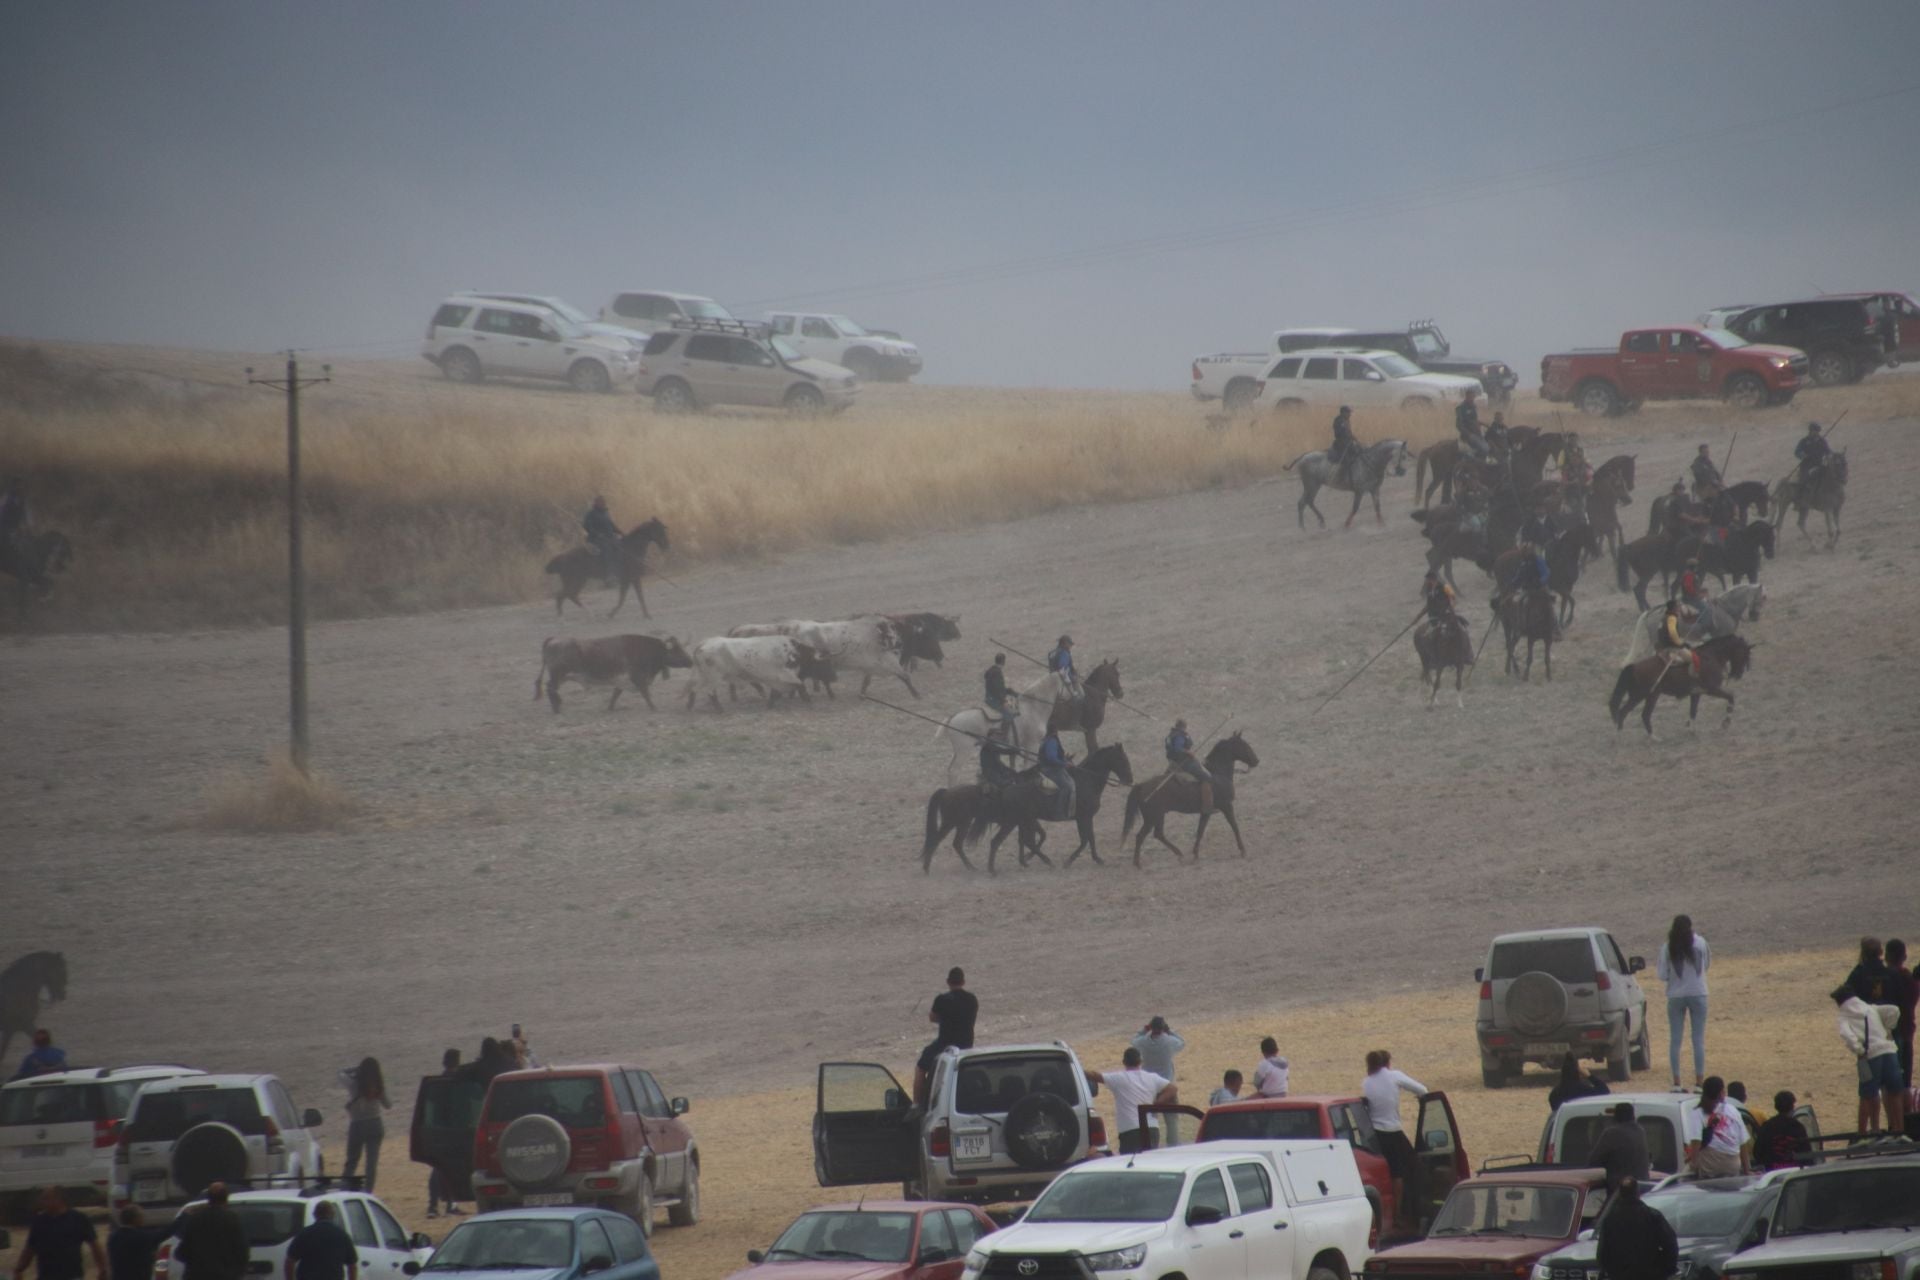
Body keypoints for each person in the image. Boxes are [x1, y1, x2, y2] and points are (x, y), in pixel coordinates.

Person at [1362, 1051, 1426, 1232]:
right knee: (1404, 1171)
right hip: (1392, 1131)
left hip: (1375, 1135)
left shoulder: (1366, 1082)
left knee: (1386, 1170)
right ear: (1387, 1063)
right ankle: (1401, 1212)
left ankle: (1392, 1213)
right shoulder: (1394, 1076)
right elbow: (1422, 1090)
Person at [1834, 983, 1905, 1135]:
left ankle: (1864, 1133)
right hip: (1889, 1050)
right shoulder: (1870, 1008)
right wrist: (1888, 1029)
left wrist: (1859, 1049)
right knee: (1895, 1092)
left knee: (1867, 1095)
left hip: (1869, 1055)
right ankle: (1899, 1130)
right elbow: (1894, 1010)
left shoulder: (1843, 1016)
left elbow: (1847, 1035)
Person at [1083, 1048, 1176, 1154]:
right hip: (1152, 1128)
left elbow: (1095, 1075)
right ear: (1140, 1061)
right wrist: (1156, 1105)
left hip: (1130, 1130)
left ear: (1124, 1062)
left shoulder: (1118, 1078)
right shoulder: (1152, 1078)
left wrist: (1077, 1069)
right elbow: (1172, 1089)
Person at [1658, 915, 1710, 1089]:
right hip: (1698, 993)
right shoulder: (1701, 943)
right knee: (1698, 1040)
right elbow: (1706, 965)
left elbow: (1662, 974)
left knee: (1675, 1040)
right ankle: (1699, 1082)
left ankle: (1677, 1082)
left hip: (1675, 996)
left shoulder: (1667, 947)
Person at [914, 967, 978, 1106]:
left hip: (945, 1044)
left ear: (948, 982)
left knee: (920, 1067)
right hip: (966, 1044)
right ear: (963, 981)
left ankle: (916, 1104)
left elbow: (933, 1017)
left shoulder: (942, 999)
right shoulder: (972, 1000)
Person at [13, 1187, 105, 1280]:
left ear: (58, 1199)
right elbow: (30, 1249)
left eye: (46, 1198)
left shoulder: (78, 1219)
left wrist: (102, 1269)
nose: (42, 1202)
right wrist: (19, 1269)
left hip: (72, 1276)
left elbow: (94, 1245)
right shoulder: (39, 1222)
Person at [1595, 1178, 1678, 1280]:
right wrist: (1665, 1270)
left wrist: (1608, 1272)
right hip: (1650, 1275)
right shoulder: (1652, 1216)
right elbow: (1670, 1244)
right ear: (1638, 1193)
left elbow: (1602, 1253)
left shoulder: (1610, 1220)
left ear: (1620, 1194)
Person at [173, 1183, 249, 1280]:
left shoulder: (195, 1219)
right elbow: (242, 1250)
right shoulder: (232, 1219)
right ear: (226, 1198)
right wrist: (239, 1272)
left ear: (209, 1198)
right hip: (224, 1275)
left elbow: (182, 1251)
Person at [1131, 1017, 1187, 1142]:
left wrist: (1143, 1030)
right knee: (1171, 1122)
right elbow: (1182, 1042)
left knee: (1151, 1121)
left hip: (1149, 1087)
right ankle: (1172, 1147)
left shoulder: (1143, 1042)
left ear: (1151, 1027)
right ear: (1163, 1028)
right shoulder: (1169, 1041)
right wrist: (1170, 1031)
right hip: (1167, 1087)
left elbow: (1133, 1041)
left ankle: (1152, 1146)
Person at [338, 1057, 389, 1191]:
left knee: (352, 1161)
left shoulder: (353, 1084)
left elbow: (340, 1073)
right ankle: (368, 1191)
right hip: (375, 1124)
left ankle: (344, 1189)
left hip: (357, 1125)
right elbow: (388, 1105)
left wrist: (356, 1068)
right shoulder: (378, 1087)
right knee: (371, 1164)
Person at [426, 1048, 464, 1218]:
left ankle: (433, 1205)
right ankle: (450, 1204)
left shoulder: (438, 1082)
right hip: (453, 1131)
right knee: (451, 1168)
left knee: (438, 1168)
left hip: (438, 1131)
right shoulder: (457, 1082)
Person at [1684, 1076, 1748, 1178]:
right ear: (1722, 1092)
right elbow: (1743, 1143)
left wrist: (1693, 1165)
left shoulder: (1698, 1112)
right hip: (1733, 1166)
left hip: (1710, 1166)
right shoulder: (1733, 1110)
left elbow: (1696, 1142)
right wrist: (1747, 1170)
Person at [283, 1201, 356, 1280]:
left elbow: (289, 1262)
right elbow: (352, 1266)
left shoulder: (304, 1234)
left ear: (315, 1215)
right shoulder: (342, 1235)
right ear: (333, 1215)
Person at [1584, 1102, 1652, 1187]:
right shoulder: (1640, 1131)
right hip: (1643, 1188)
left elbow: (1593, 1161)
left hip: (1621, 1191)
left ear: (1616, 1117)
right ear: (1633, 1116)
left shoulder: (1612, 1133)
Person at [106, 1208, 173, 1280]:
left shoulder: (112, 1237)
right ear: (136, 1219)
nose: (143, 1219)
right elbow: (164, 1233)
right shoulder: (141, 1237)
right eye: (141, 1216)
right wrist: (183, 1217)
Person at [1163, 719, 1213, 816]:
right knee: (1206, 777)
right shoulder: (1179, 736)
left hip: (1173, 762)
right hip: (1184, 763)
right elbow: (1178, 748)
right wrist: (1188, 752)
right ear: (1183, 727)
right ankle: (1207, 806)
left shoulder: (1171, 734)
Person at [1751, 1091, 1811, 1170]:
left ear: (1776, 1106)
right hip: (1795, 1171)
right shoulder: (1797, 1127)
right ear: (1792, 1106)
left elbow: (1758, 1152)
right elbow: (1807, 1153)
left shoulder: (1767, 1126)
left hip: (1772, 1172)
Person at [1885, 939, 1917, 1087]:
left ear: (1886, 957)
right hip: (1906, 1031)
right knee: (1905, 1083)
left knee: (1890, 1085)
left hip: (1887, 1036)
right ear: (1904, 957)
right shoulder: (1910, 980)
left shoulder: (1883, 979)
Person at [582, 496, 622, 584]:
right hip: (595, 540)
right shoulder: (591, 514)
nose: (603, 503)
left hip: (609, 537)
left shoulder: (606, 513)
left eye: (604, 502)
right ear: (596, 503)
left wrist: (620, 532)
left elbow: (612, 525)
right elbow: (587, 526)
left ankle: (620, 572)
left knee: (621, 546)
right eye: (601, 502)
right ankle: (609, 575)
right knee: (607, 549)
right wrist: (597, 534)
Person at [1037, 727, 1075, 820]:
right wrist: (1065, 763)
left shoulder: (1045, 740)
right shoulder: (1052, 741)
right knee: (1067, 786)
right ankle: (1059, 813)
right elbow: (1051, 758)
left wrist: (1064, 759)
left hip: (1047, 768)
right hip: (1051, 770)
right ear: (1054, 731)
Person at [1655, 601, 1698, 679]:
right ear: (1673, 608)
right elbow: (1672, 633)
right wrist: (1680, 643)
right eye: (1677, 607)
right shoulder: (1672, 618)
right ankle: (1693, 679)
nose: (1679, 608)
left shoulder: (1665, 617)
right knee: (1694, 659)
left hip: (1663, 645)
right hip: (1671, 647)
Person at [1847, 937, 1891, 1004]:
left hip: (1865, 1011)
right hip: (1887, 1011)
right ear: (1881, 952)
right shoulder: (1889, 972)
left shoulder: (1857, 973)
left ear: (1862, 953)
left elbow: (1845, 993)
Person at [983, 653, 1017, 737]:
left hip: (992, 697)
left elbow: (998, 688)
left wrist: (1009, 691)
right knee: (1009, 714)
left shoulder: (992, 670)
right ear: (1003, 662)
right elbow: (997, 690)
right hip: (993, 699)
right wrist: (1003, 701)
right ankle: (1002, 736)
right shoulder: (997, 672)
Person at [1793, 422, 1831, 494]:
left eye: (1817, 431)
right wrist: (1803, 455)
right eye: (1815, 431)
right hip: (1807, 465)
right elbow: (1797, 451)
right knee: (1804, 480)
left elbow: (1828, 451)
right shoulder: (1804, 441)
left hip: (1819, 465)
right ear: (1810, 431)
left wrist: (1830, 456)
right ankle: (1800, 495)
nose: (1816, 433)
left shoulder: (1822, 441)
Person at [1329, 406, 1358, 487]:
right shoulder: (1338, 421)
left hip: (1348, 442)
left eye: (1350, 412)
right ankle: (1341, 477)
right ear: (1343, 413)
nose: (1350, 414)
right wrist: (1348, 439)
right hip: (1341, 443)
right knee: (1346, 459)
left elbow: (1349, 433)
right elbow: (1339, 434)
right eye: (1348, 412)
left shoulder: (1347, 420)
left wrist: (1356, 439)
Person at [1046, 635, 1080, 700]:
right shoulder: (1064, 653)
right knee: (1081, 696)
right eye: (1070, 644)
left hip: (1052, 678)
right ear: (1065, 643)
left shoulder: (1051, 653)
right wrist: (1073, 677)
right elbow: (1062, 668)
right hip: (1062, 678)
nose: (1070, 646)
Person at [1455, 387, 1485, 459]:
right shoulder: (1461, 408)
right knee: (1483, 449)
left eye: (1473, 397)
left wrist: (1484, 424)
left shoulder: (1473, 407)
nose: (1472, 399)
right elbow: (1459, 424)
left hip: (1477, 433)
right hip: (1468, 436)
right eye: (1471, 397)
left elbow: (1473, 420)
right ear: (1467, 396)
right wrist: (1469, 434)